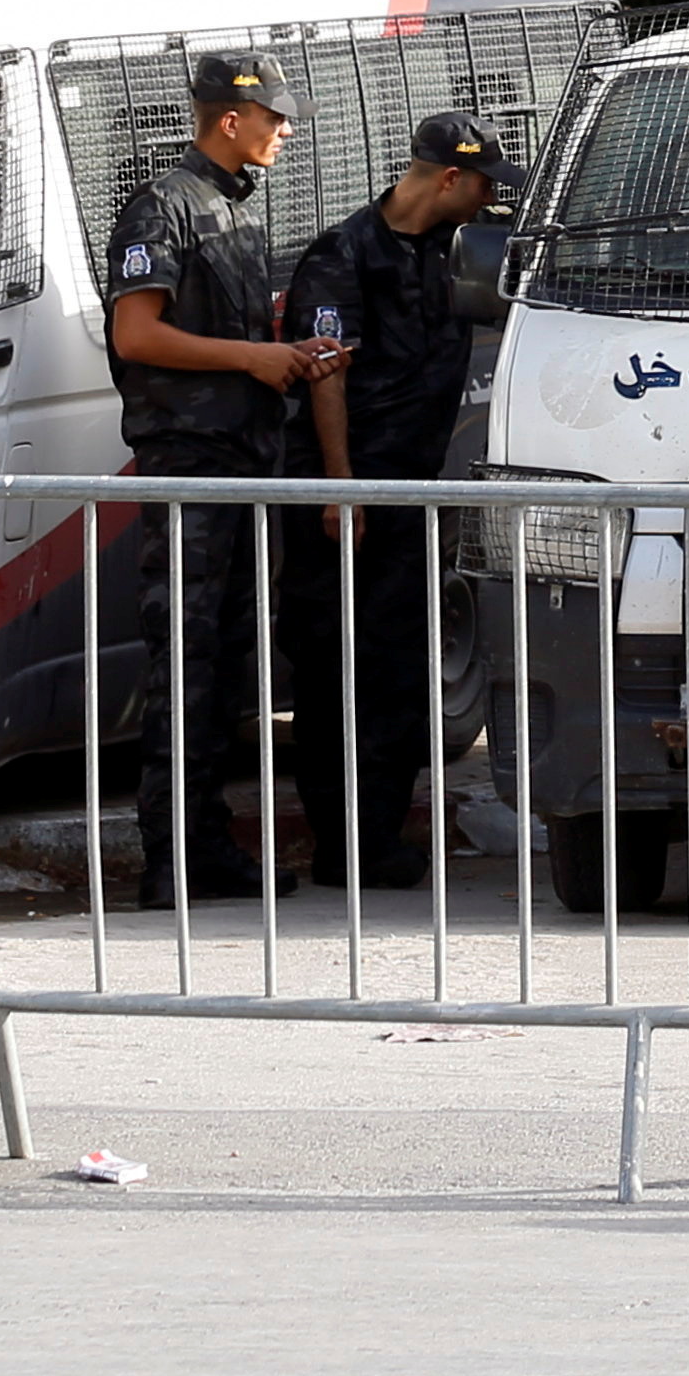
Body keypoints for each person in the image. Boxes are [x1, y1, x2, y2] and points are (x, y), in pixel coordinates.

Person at [105, 53, 342, 904]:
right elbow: (138, 335)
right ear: (229, 118)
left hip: (242, 469)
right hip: (190, 472)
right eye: (274, 117)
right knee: (187, 665)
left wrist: (289, 359)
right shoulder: (164, 205)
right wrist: (254, 355)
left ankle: (202, 847)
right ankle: (170, 858)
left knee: (226, 667)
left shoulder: (232, 208)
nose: (284, 130)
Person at [275, 110, 499, 886]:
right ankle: (345, 846)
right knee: (337, 668)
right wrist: (343, 490)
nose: (488, 202)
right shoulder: (345, 255)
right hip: (345, 500)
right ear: (447, 178)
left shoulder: (453, 253)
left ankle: (376, 841)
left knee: (400, 670)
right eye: (482, 186)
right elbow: (326, 374)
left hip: (408, 496)